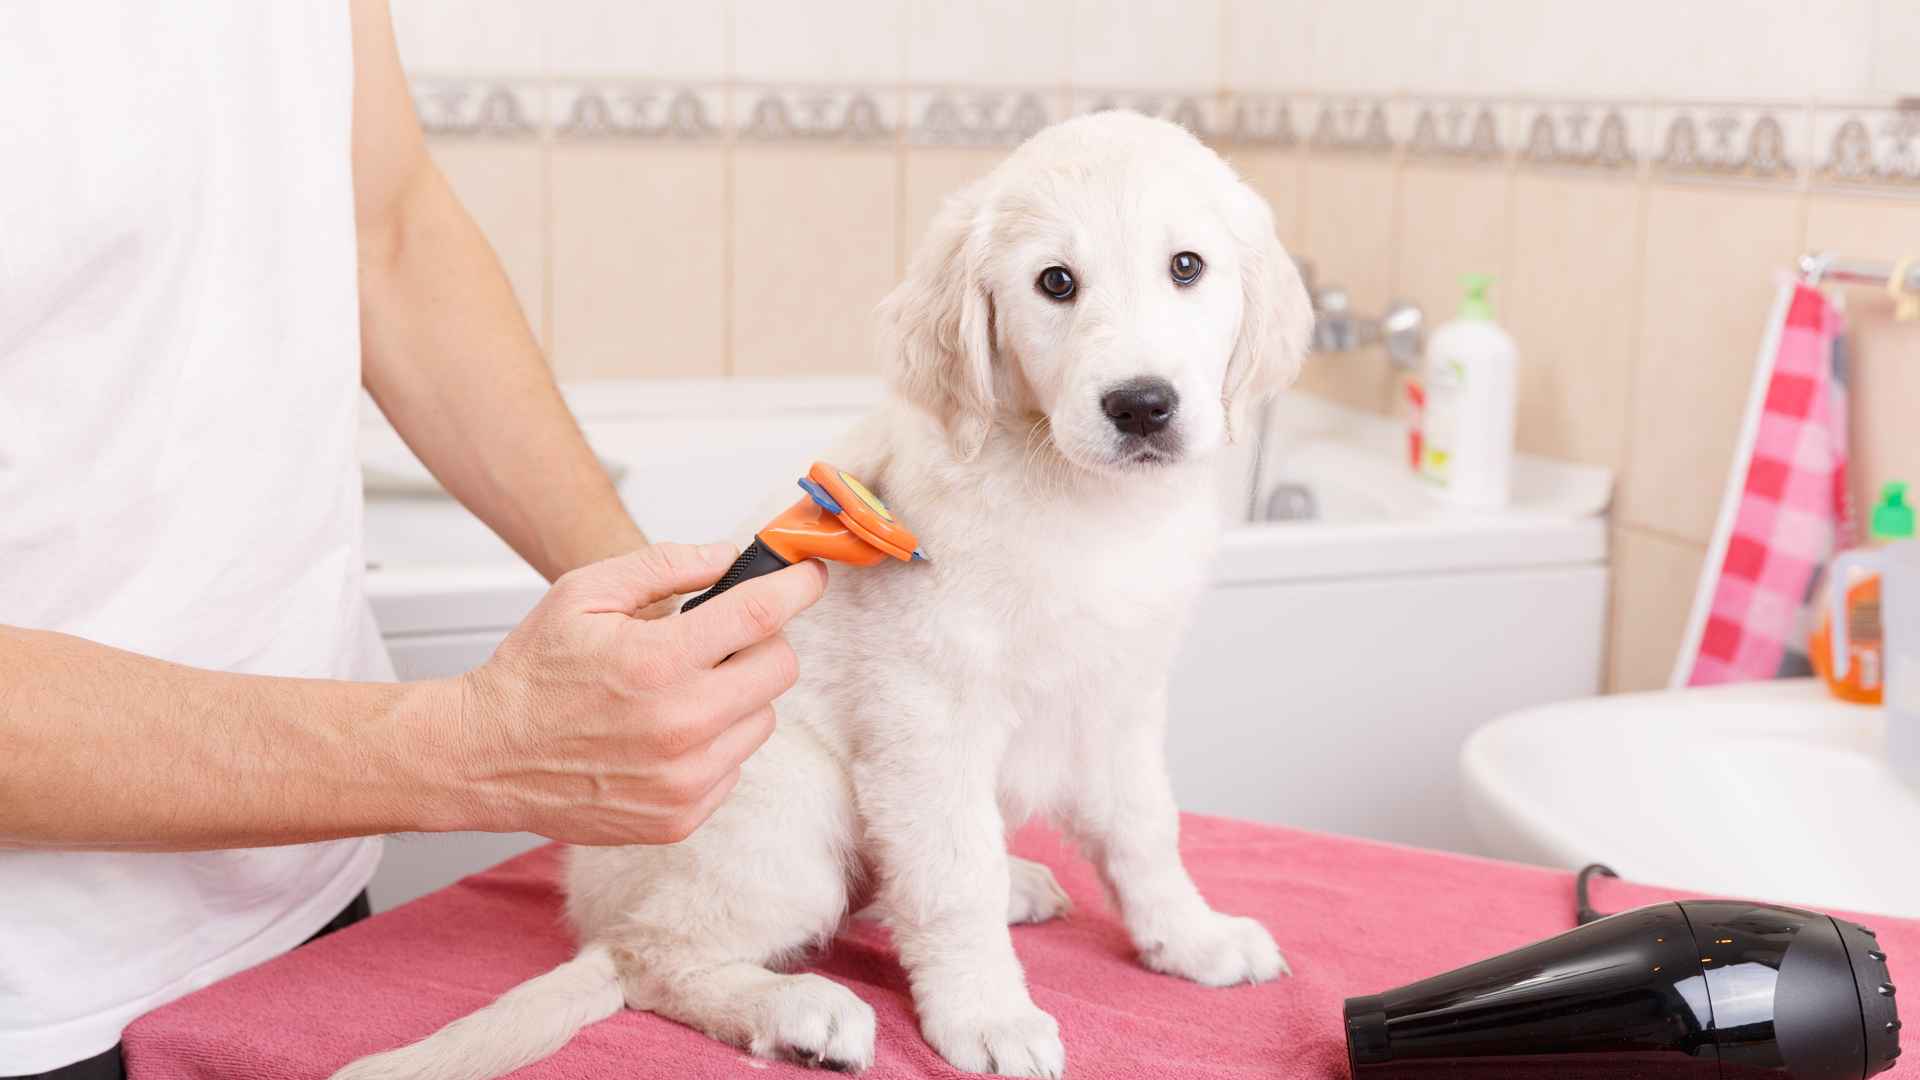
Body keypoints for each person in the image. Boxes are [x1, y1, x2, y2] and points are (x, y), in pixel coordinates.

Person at [0, 3, 826, 1077]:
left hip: (299, 888)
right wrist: (473, 747)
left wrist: (663, 616)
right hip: (40, 997)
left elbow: (386, 230)